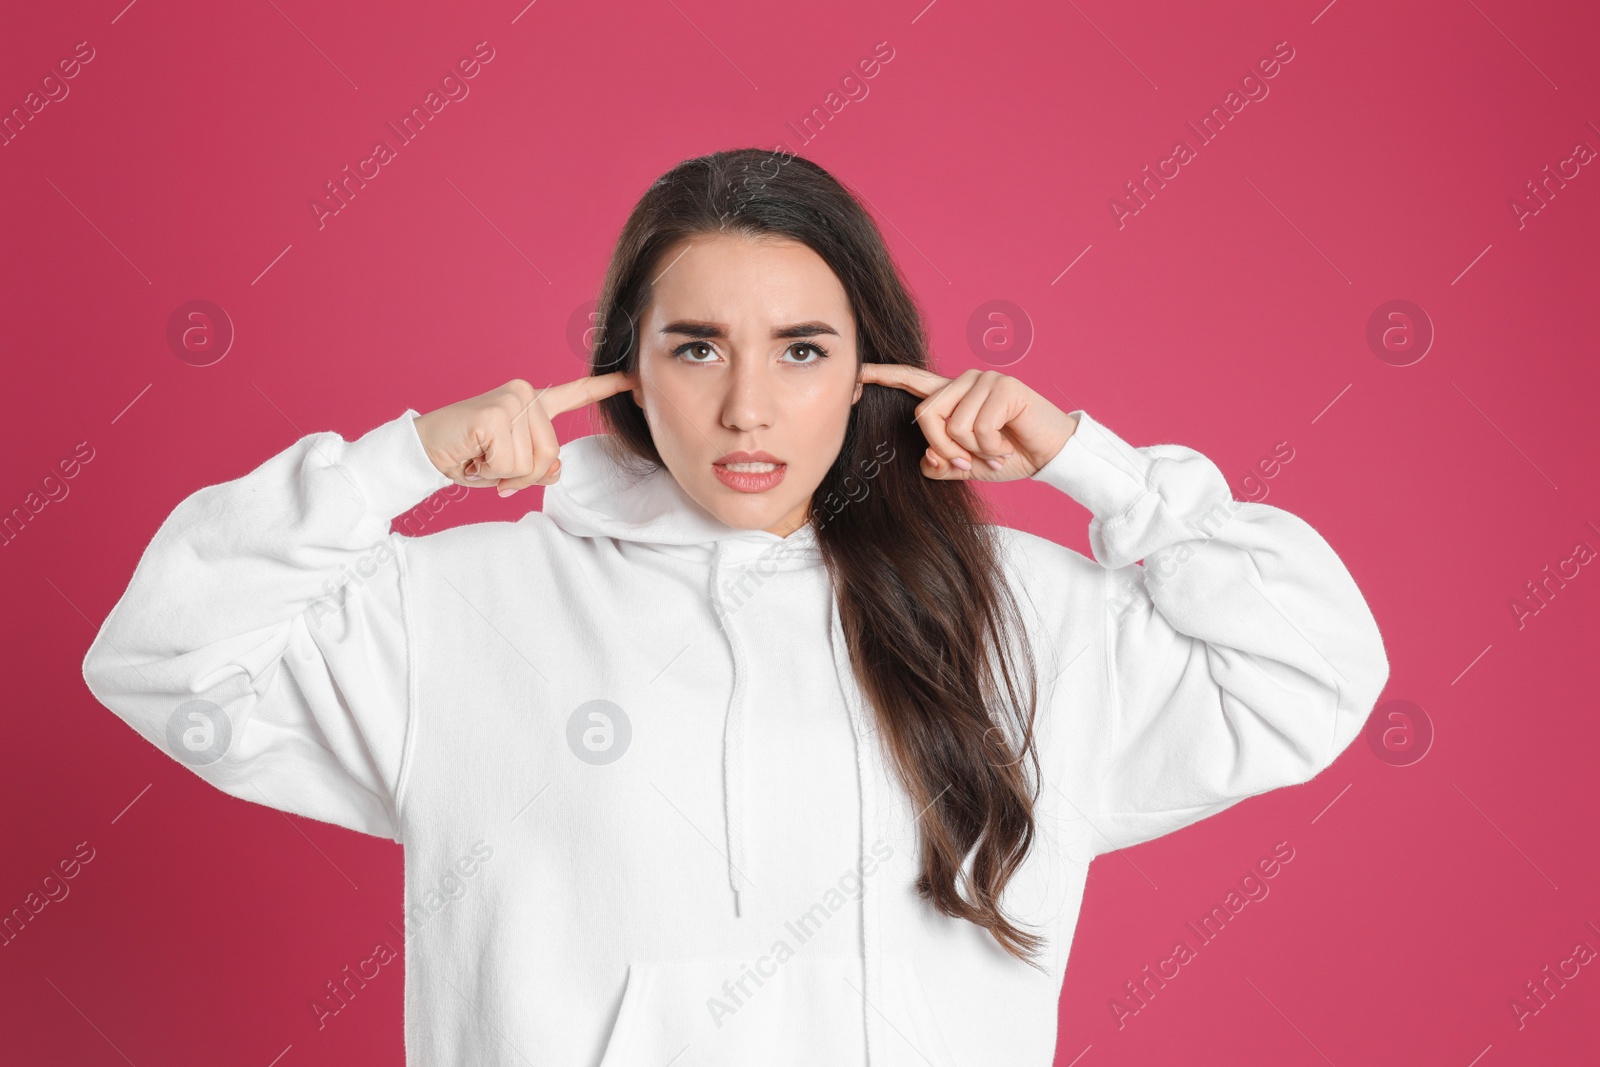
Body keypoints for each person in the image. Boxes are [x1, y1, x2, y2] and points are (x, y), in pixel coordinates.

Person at [80, 148, 1390, 1066]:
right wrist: (400, 462)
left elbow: (1313, 672)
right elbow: (163, 655)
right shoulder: (456, 612)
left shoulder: (1019, 620)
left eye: (802, 352)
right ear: (626, 376)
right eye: (695, 347)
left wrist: (1090, 466)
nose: (748, 407)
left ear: (872, 369)